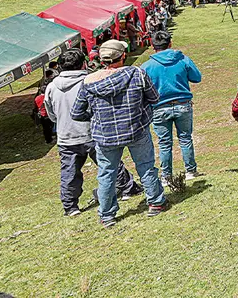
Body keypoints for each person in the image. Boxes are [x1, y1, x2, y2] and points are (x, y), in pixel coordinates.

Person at [70, 40, 167, 227]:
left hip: (106, 135)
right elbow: (154, 98)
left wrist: (96, 116)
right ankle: (155, 202)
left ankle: (107, 215)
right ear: (123, 56)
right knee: (146, 166)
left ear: (101, 59)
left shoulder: (89, 81)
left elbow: (77, 113)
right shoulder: (137, 73)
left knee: (107, 173)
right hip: (136, 129)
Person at [45, 50, 140, 216]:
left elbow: (50, 112)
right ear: (83, 64)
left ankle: (70, 206)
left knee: (69, 172)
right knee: (110, 164)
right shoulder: (90, 80)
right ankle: (128, 187)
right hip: (93, 132)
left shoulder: (51, 86)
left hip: (66, 135)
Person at [141, 31, 203, 186]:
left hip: (159, 107)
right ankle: (190, 170)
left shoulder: (146, 66)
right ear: (170, 43)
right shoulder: (182, 59)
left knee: (164, 143)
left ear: (152, 45)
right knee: (185, 138)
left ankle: (166, 175)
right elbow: (197, 77)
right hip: (182, 104)